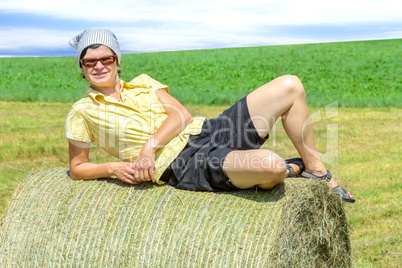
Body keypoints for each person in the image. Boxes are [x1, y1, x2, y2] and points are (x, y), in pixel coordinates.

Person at [66, 28, 355, 203]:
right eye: (90, 61)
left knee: (290, 85)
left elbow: (180, 114)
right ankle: (292, 168)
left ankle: (317, 173)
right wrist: (114, 168)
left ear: (118, 61)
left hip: (210, 130)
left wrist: (147, 148)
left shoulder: (143, 82)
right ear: (81, 67)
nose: (99, 66)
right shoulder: (82, 111)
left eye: (106, 58)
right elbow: (78, 167)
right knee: (272, 166)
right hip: (184, 163)